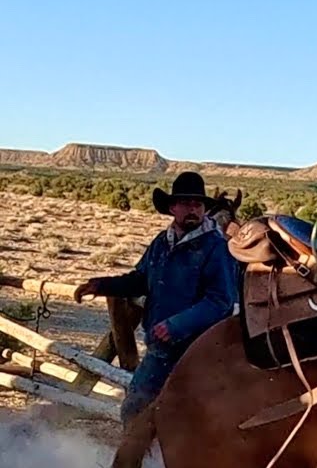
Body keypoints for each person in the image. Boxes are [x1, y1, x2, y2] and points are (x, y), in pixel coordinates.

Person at [74, 171, 240, 422]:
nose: (193, 209)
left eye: (198, 204)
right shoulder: (162, 242)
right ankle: (144, 461)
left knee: (190, 419)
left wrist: (176, 325)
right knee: (135, 408)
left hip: (199, 351)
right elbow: (141, 279)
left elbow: (220, 301)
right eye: (186, 204)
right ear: (173, 208)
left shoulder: (216, 248)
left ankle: (164, 461)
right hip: (162, 348)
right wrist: (102, 285)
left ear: (205, 209)